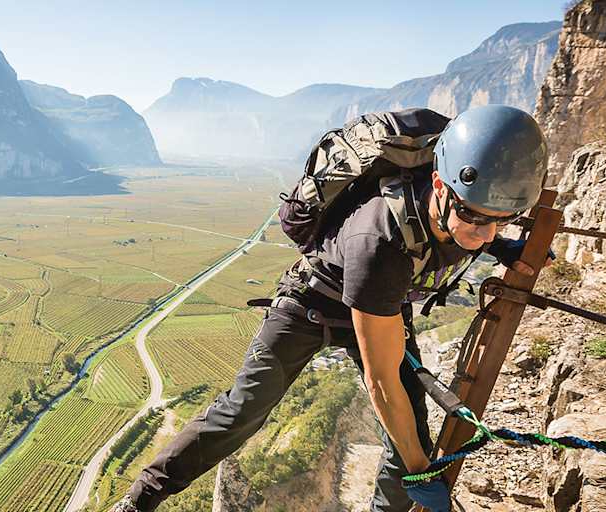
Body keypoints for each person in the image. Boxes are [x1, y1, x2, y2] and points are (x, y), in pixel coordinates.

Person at [112, 105, 550, 512]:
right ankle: (139, 500)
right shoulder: (381, 241)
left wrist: (505, 246)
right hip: (312, 303)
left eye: (502, 220)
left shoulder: (472, 205)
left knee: (408, 438)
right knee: (243, 412)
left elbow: (475, 227)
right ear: (440, 186)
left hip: (385, 302)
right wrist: (420, 472)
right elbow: (382, 385)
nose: (485, 232)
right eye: (474, 217)